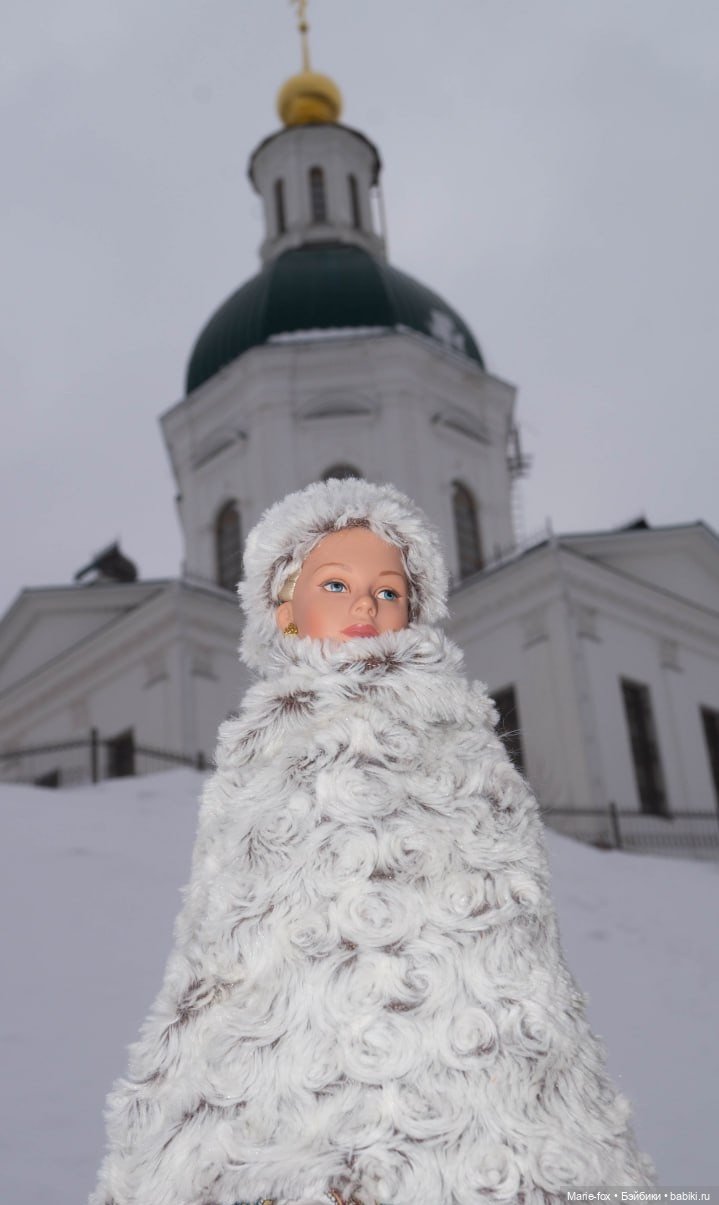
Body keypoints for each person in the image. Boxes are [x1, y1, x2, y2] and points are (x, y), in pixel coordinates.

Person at [89, 477, 657, 1205]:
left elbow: (508, 900)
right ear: (284, 610)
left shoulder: (458, 733)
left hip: (458, 1071)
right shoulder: (260, 749)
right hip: (285, 1086)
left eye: (389, 591)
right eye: (335, 583)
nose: (366, 605)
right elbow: (219, 934)